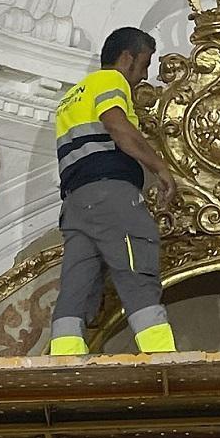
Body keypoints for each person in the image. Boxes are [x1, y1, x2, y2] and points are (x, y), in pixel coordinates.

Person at [48, 27, 178, 356]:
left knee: (76, 289)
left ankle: (65, 361)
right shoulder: (109, 81)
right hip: (111, 197)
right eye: (144, 64)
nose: (144, 75)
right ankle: (162, 358)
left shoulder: (70, 98)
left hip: (76, 205)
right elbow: (117, 126)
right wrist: (160, 168)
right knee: (138, 271)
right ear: (126, 58)